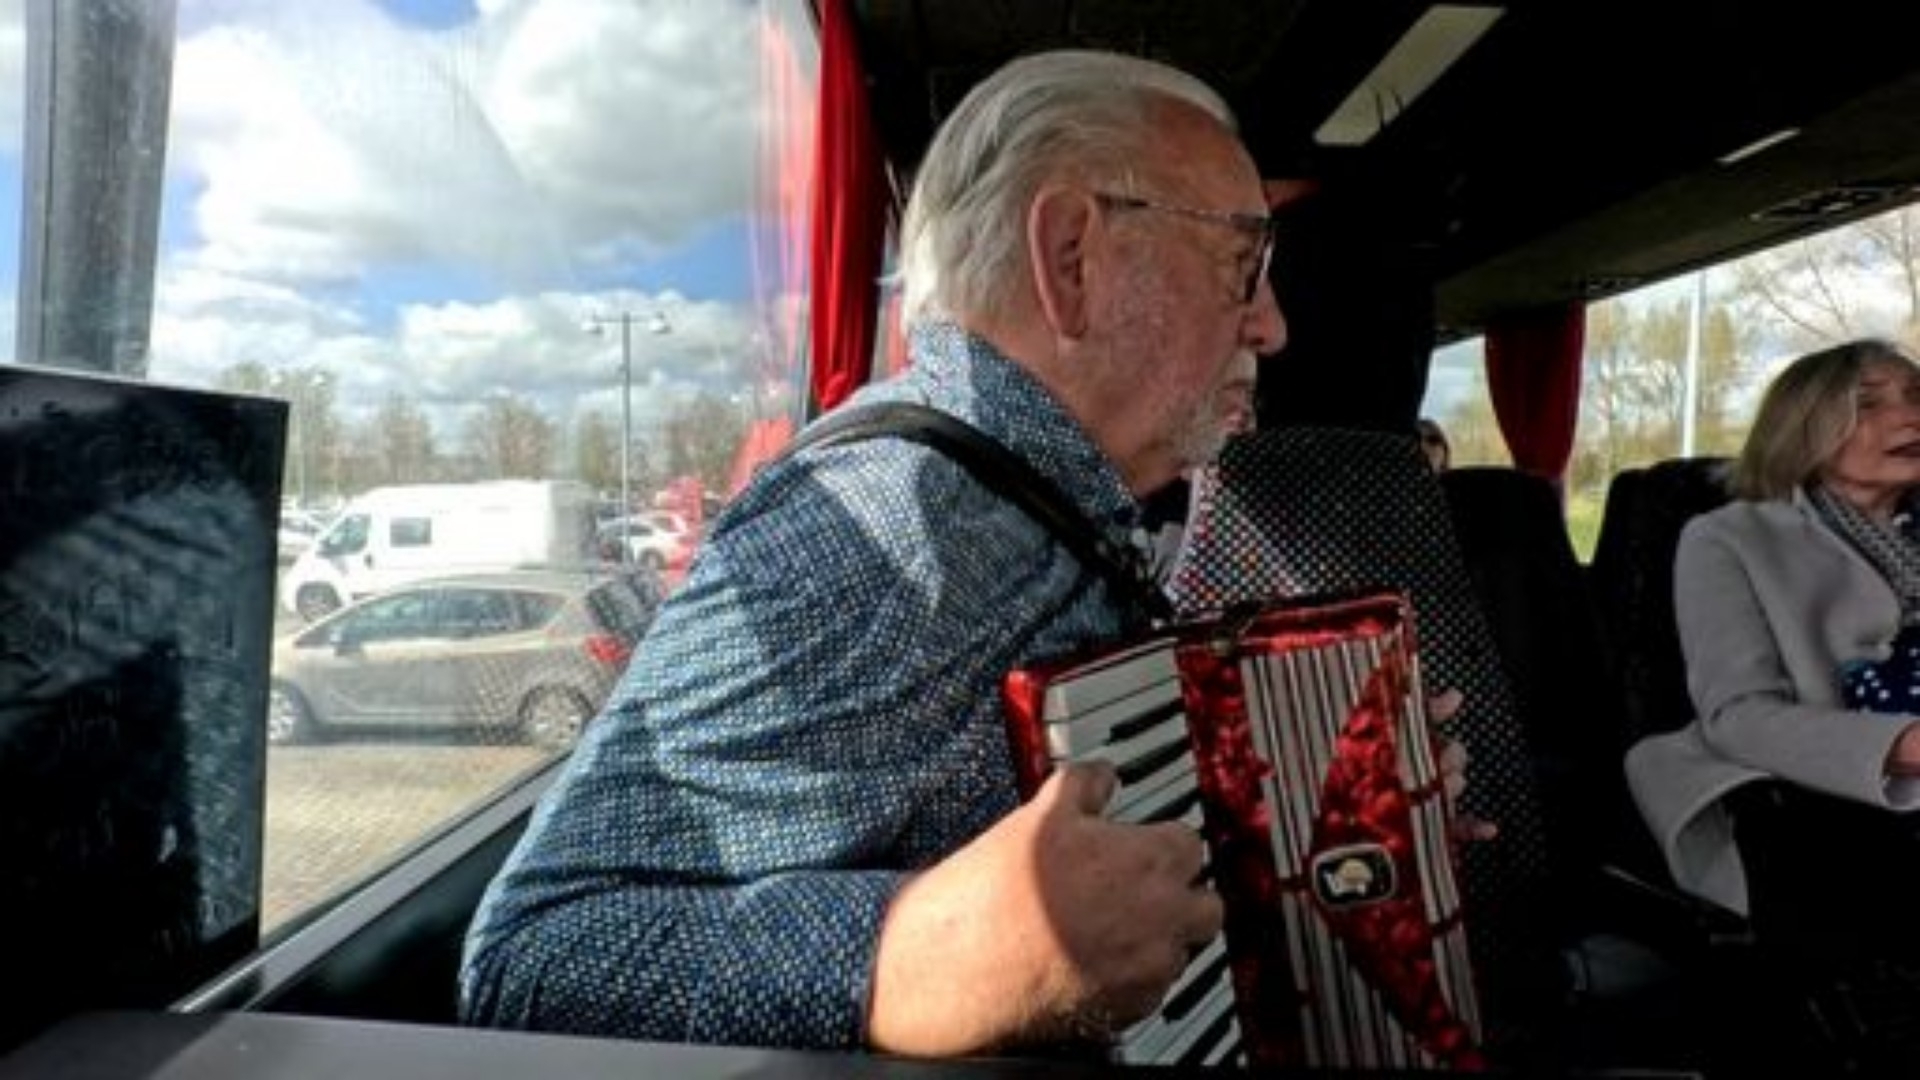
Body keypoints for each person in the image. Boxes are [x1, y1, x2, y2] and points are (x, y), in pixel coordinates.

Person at [461, 48, 1475, 1059]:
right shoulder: (882, 525)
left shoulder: (1060, 510)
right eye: (1244, 261)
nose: (1273, 324)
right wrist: (915, 955)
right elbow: (529, 961)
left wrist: (1321, 811)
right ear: (1073, 257)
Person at [1627, 338, 1920, 922]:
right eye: (1867, 403)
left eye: (1916, 395)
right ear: (1804, 427)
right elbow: (1737, 716)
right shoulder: (1728, 538)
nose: (1910, 414)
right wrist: (1901, 748)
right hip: (1826, 801)